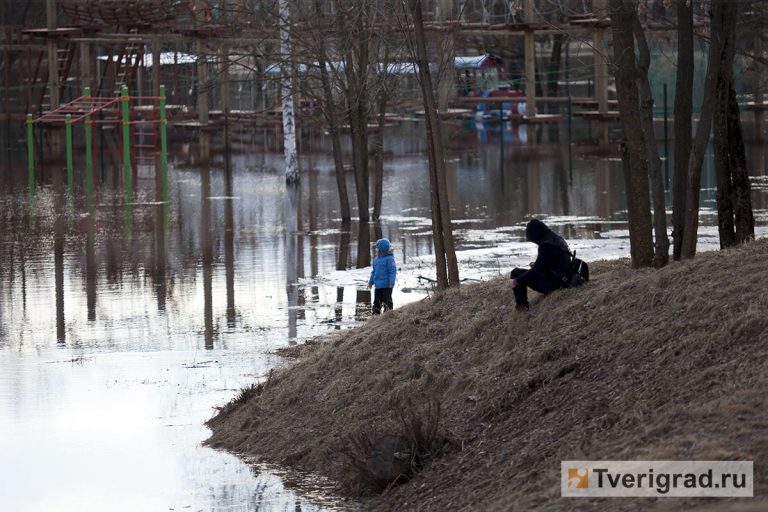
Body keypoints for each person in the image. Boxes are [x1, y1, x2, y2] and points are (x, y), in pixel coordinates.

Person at [510, 219, 571, 312]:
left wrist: (518, 281)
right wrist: (536, 265)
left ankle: (522, 306)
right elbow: (551, 262)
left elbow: (536, 271)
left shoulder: (546, 246)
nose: (534, 242)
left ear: (536, 234)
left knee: (516, 273)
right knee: (525, 273)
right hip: (565, 278)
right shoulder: (556, 239)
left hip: (555, 284)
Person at [368, 238, 397, 314]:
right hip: (378, 286)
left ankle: (388, 316)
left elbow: (392, 271)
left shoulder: (390, 259)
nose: (376, 250)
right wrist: (370, 282)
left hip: (387, 286)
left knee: (387, 302)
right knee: (376, 303)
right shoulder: (376, 259)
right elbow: (374, 272)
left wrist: (392, 282)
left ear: (381, 249)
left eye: (377, 248)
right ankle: (375, 317)